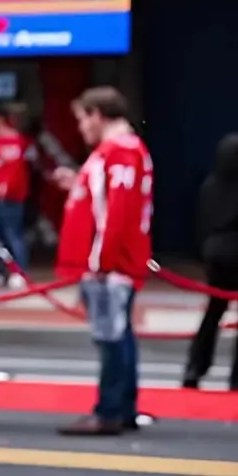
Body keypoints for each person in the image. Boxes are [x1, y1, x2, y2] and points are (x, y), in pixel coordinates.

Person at [54, 86, 152, 436]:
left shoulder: (119, 152)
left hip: (110, 267)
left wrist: (101, 262)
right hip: (114, 263)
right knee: (119, 335)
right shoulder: (118, 153)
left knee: (110, 337)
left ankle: (109, 409)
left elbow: (117, 213)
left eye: (83, 118)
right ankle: (122, 406)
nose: (81, 127)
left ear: (97, 114)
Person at [185, 132, 238, 391]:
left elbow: (201, 222)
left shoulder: (210, 184)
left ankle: (194, 367)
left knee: (213, 312)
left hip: (214, 254)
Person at [0, 102, 33, 283]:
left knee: (13, 234)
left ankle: (19, 271)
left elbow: (16, 171)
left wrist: (6, 189)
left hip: (10, 198)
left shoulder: (15, 140)